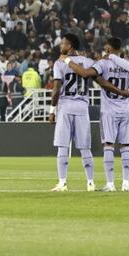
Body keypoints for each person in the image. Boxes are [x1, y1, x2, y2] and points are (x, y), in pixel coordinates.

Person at [67, 37, 129, 192]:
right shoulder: (127, 65)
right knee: (126, 146)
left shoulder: (102, 64)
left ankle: (110, 184)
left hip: (109, 111)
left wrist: (68, 61)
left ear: (108, 48)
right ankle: (126, 184)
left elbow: (86, 73)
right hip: (126, 109)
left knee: (109, 145)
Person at [49, 33, 96, 192]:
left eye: (62, 43)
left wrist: (51, 110)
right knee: (85, 147)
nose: (60, 46)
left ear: (69, 46)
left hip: (66, 106)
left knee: (63, 146)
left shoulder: (59, 63)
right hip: (82, 106)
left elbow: (56, 90)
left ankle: (62, 182)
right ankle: (90, 182)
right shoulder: (87, 61)